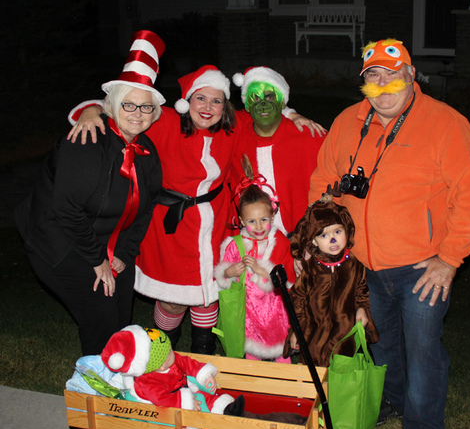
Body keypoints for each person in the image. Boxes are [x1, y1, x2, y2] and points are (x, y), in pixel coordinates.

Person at [308, 38, 470, 429]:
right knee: (382, 340)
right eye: (373, 77)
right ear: (363, 83)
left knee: (424, 349)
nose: (383, 86)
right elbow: (322, 179)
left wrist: (449, 258)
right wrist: (315, 239)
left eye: (393, 75)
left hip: (422, 266)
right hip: (363, 264)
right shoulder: (348, 122)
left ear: (411, 76)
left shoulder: (446, 123)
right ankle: (392, 399)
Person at [65, 66, 322, 355]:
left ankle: (202, 354)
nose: (208, 107)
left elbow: (265, 110)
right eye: (201, 98)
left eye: (216, 101)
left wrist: (293, 114)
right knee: (172, 299)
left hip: (215, 222)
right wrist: (90, 111)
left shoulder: (231, 127)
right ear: (187, 101)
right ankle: (162, 353)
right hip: (170, 226)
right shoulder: (165, 122)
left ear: (225, 106)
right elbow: (124, 107)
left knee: (209, 296)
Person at [14, 30, 164, 355]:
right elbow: (67, 209)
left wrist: (124, 255)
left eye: (145, 108)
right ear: (110, 106)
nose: (137, 113)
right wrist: (98, 261)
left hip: (106, 241)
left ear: (155, 114)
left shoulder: (147, 151)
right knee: (100, 319)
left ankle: (120, 382)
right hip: (59, 239)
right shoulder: (86, 142)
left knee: (121, 319)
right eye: (129, 104)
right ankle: (94, 394)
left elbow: (146, 208)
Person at [214, 160, 295, 362]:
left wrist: (261, 270)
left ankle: (286, 387)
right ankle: (253, 384)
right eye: (251, 221)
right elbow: (223, 274)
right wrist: (228, 273)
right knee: (251, 353)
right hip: (248, 312)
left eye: (264, 220)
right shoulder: (236, 245)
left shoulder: (280, 242)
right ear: (241, 221)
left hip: (276, 311)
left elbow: (289, 278)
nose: (259, 226)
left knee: (280, 351)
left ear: (272, 215)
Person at [231, 67, 326, 235]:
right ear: (247, 105)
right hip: (254, 243)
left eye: (269, 96)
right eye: (255, 98)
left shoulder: (309, 136)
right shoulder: (235, 134)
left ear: (282, 102)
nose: (263, 104)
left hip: (304, 238)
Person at [286, 197, 378, 367]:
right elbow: (297, 299)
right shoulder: (310, 268)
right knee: (315, 379)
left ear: (347, 231)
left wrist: (362, 309)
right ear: (313, 240)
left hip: (345, 335)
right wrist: (296, 330)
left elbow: (361, 290)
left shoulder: (353, 264)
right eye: (323, 235)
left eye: (337, 232)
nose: (333, 240)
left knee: (342, 378)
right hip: (314, 336)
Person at [101, 325, 236, 412]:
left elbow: (188, 363)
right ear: (160, 365)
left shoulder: (171, 359)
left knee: (204, 393)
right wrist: (186, 402)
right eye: (169, 351)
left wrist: (206, 374)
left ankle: (224, 407)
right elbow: (162, 399)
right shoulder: (148, 381)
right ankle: (212, 423)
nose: (173, 351)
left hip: (182, 388)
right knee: (199, 404)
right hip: (170, 401)